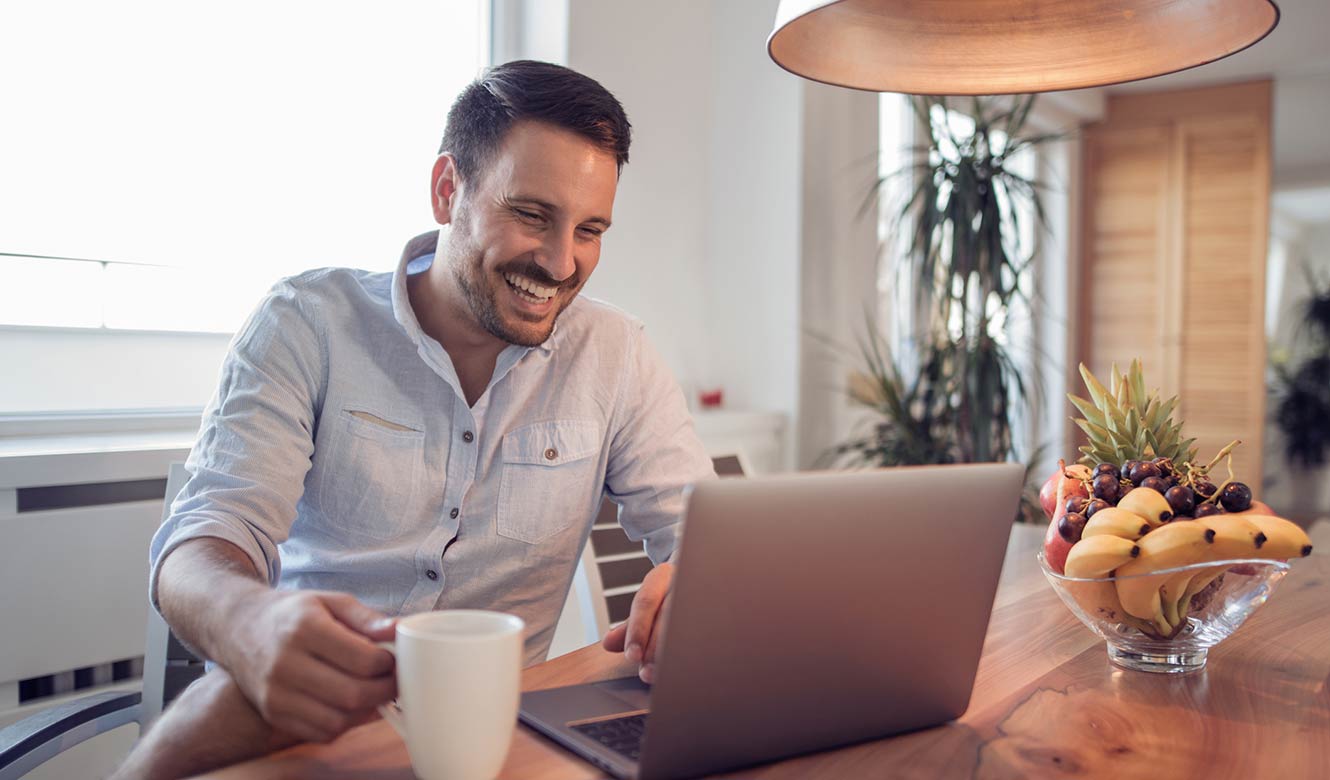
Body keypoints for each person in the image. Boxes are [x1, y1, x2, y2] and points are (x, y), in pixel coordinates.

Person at [143, 58, 715, 760]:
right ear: (449, 190)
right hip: (301, 727)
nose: (563, 264)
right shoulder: (308, 323)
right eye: (532, 215)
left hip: (500, 737)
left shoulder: (618, 354)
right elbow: (202, 540)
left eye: (590, 229)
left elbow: (709, 538)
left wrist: (697, 581)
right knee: (219, 701)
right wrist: (250, 622)